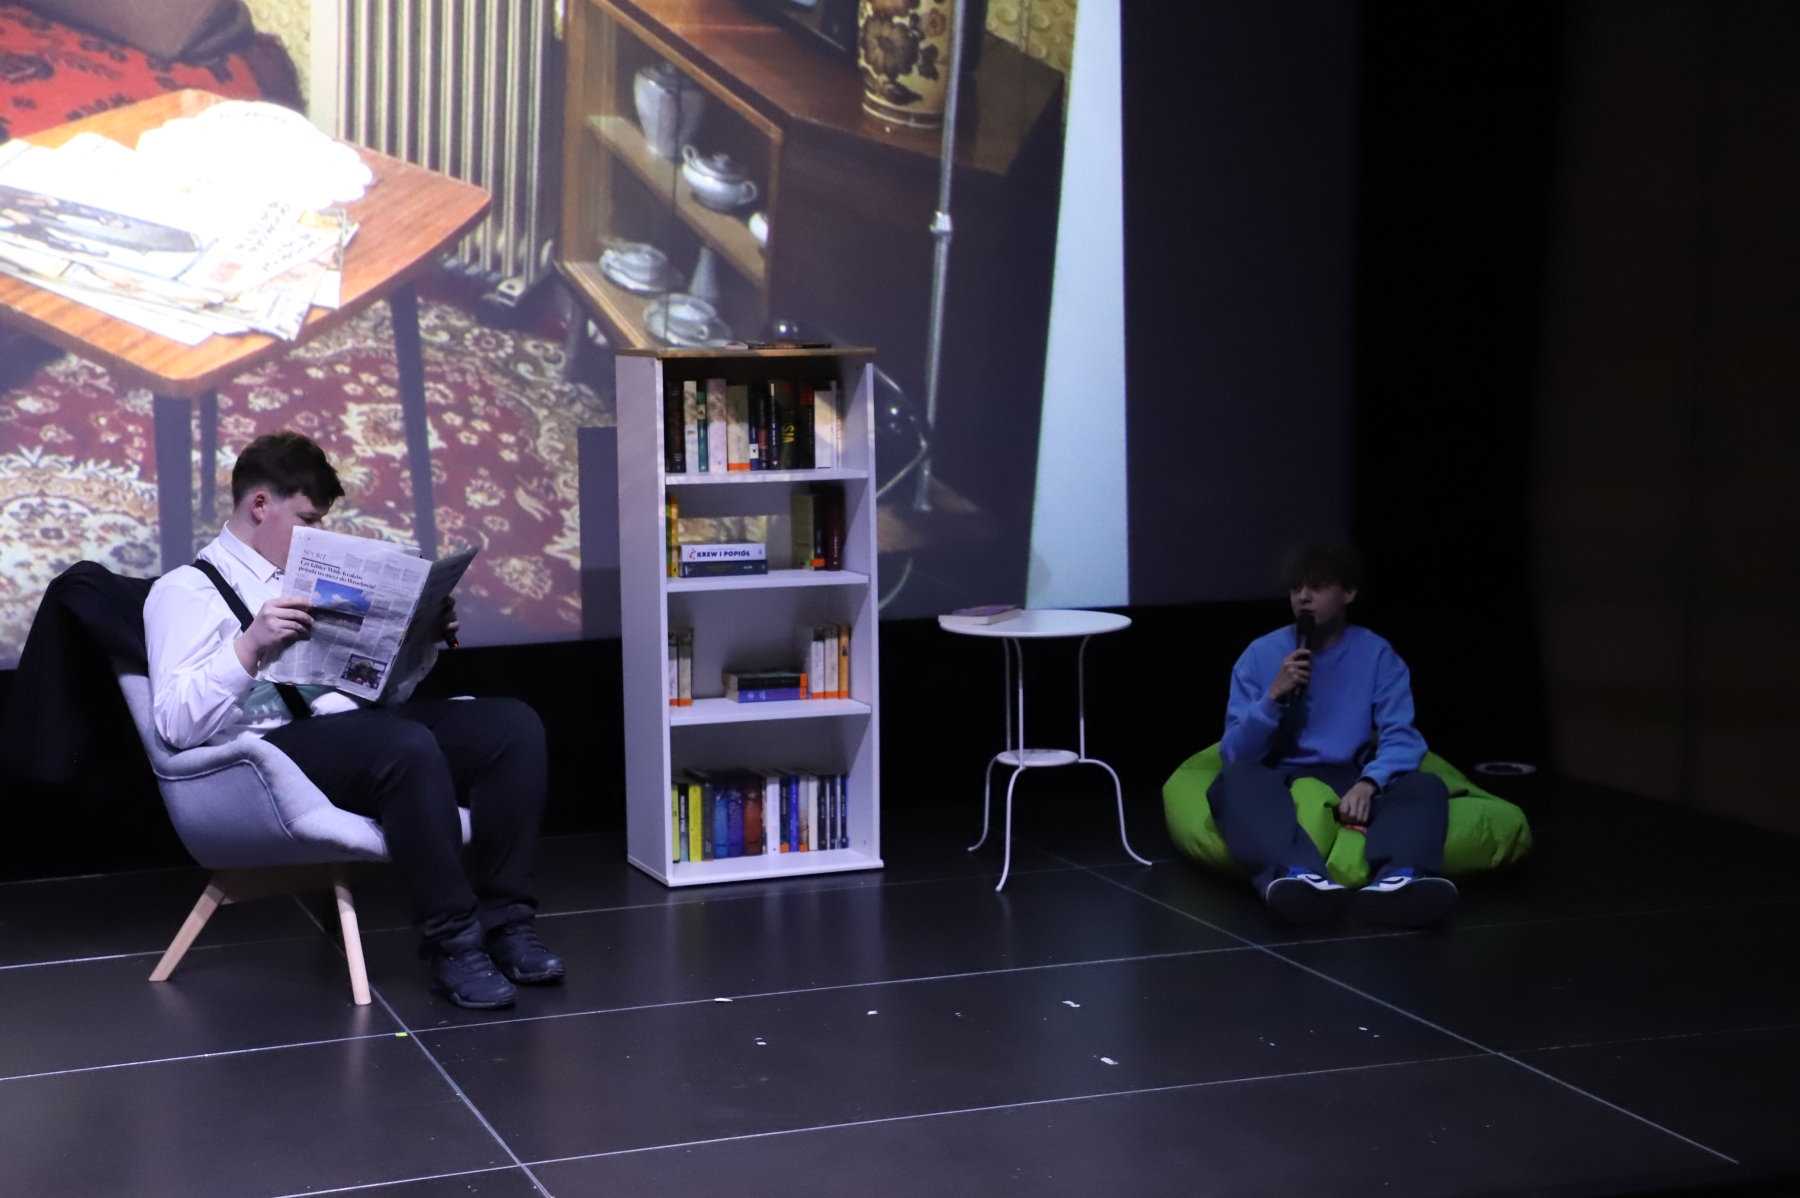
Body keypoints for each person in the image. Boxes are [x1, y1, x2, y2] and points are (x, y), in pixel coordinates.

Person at [143, 431, 564, 1009]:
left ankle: (508, 924)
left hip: (362, 729)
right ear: (260, 505)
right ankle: (456, 945)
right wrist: (249, 646)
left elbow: (381, 693)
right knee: (403, 746)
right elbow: (173, 724)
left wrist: (421, 639)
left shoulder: (313, 578)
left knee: (511, 728)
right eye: (307, 520)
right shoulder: (186, 591)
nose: (316, 535)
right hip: (271, 751)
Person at [1210, 544, 1455, 926]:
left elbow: (1402, 736)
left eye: (1317, 586)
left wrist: (1370, 783)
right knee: (1233, 781)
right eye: (1296, 588)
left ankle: (1400, 880)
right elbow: (1235, 754)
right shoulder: (1260, 654)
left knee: (1425, 786)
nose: (1303, 597)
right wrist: (1273, 698)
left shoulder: (1377, 653)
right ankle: (1298, 877)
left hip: (1351, 774)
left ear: (1349, 593)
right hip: (1279, 776)